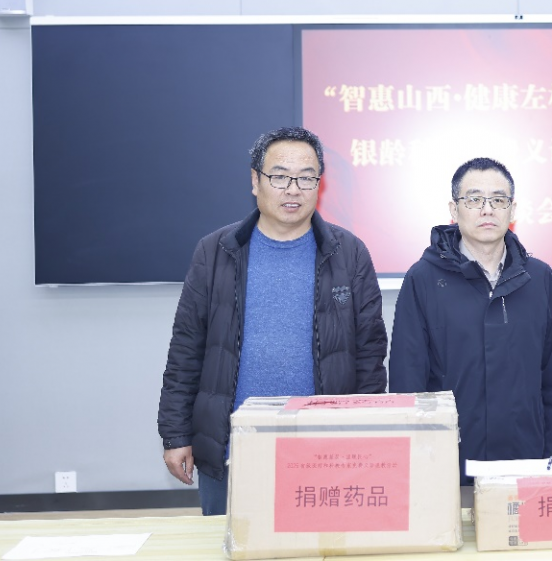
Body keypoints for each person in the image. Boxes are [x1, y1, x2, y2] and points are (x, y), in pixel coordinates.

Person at [157, 127, 388, 515]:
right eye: (279, 177)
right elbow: (186, 350)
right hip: (232, 446)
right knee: (229, 541)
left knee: (322, 542)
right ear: (255, 180)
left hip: (324, 451)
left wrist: (365, 431)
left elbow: (369, 355)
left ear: (319, 183)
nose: (293, 189)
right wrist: (176, 434)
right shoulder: (215, 252)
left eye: (306, 178)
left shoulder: (348, 253)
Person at [389, 157, 552, 482]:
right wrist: (417, 469)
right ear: (454, 208)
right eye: (474, 200)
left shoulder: (539, 279)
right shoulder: (423, 279)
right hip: (449, 464)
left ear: (512, 211)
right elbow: (408, 382)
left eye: (498, 200)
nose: (487, 210)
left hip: (526, 462)